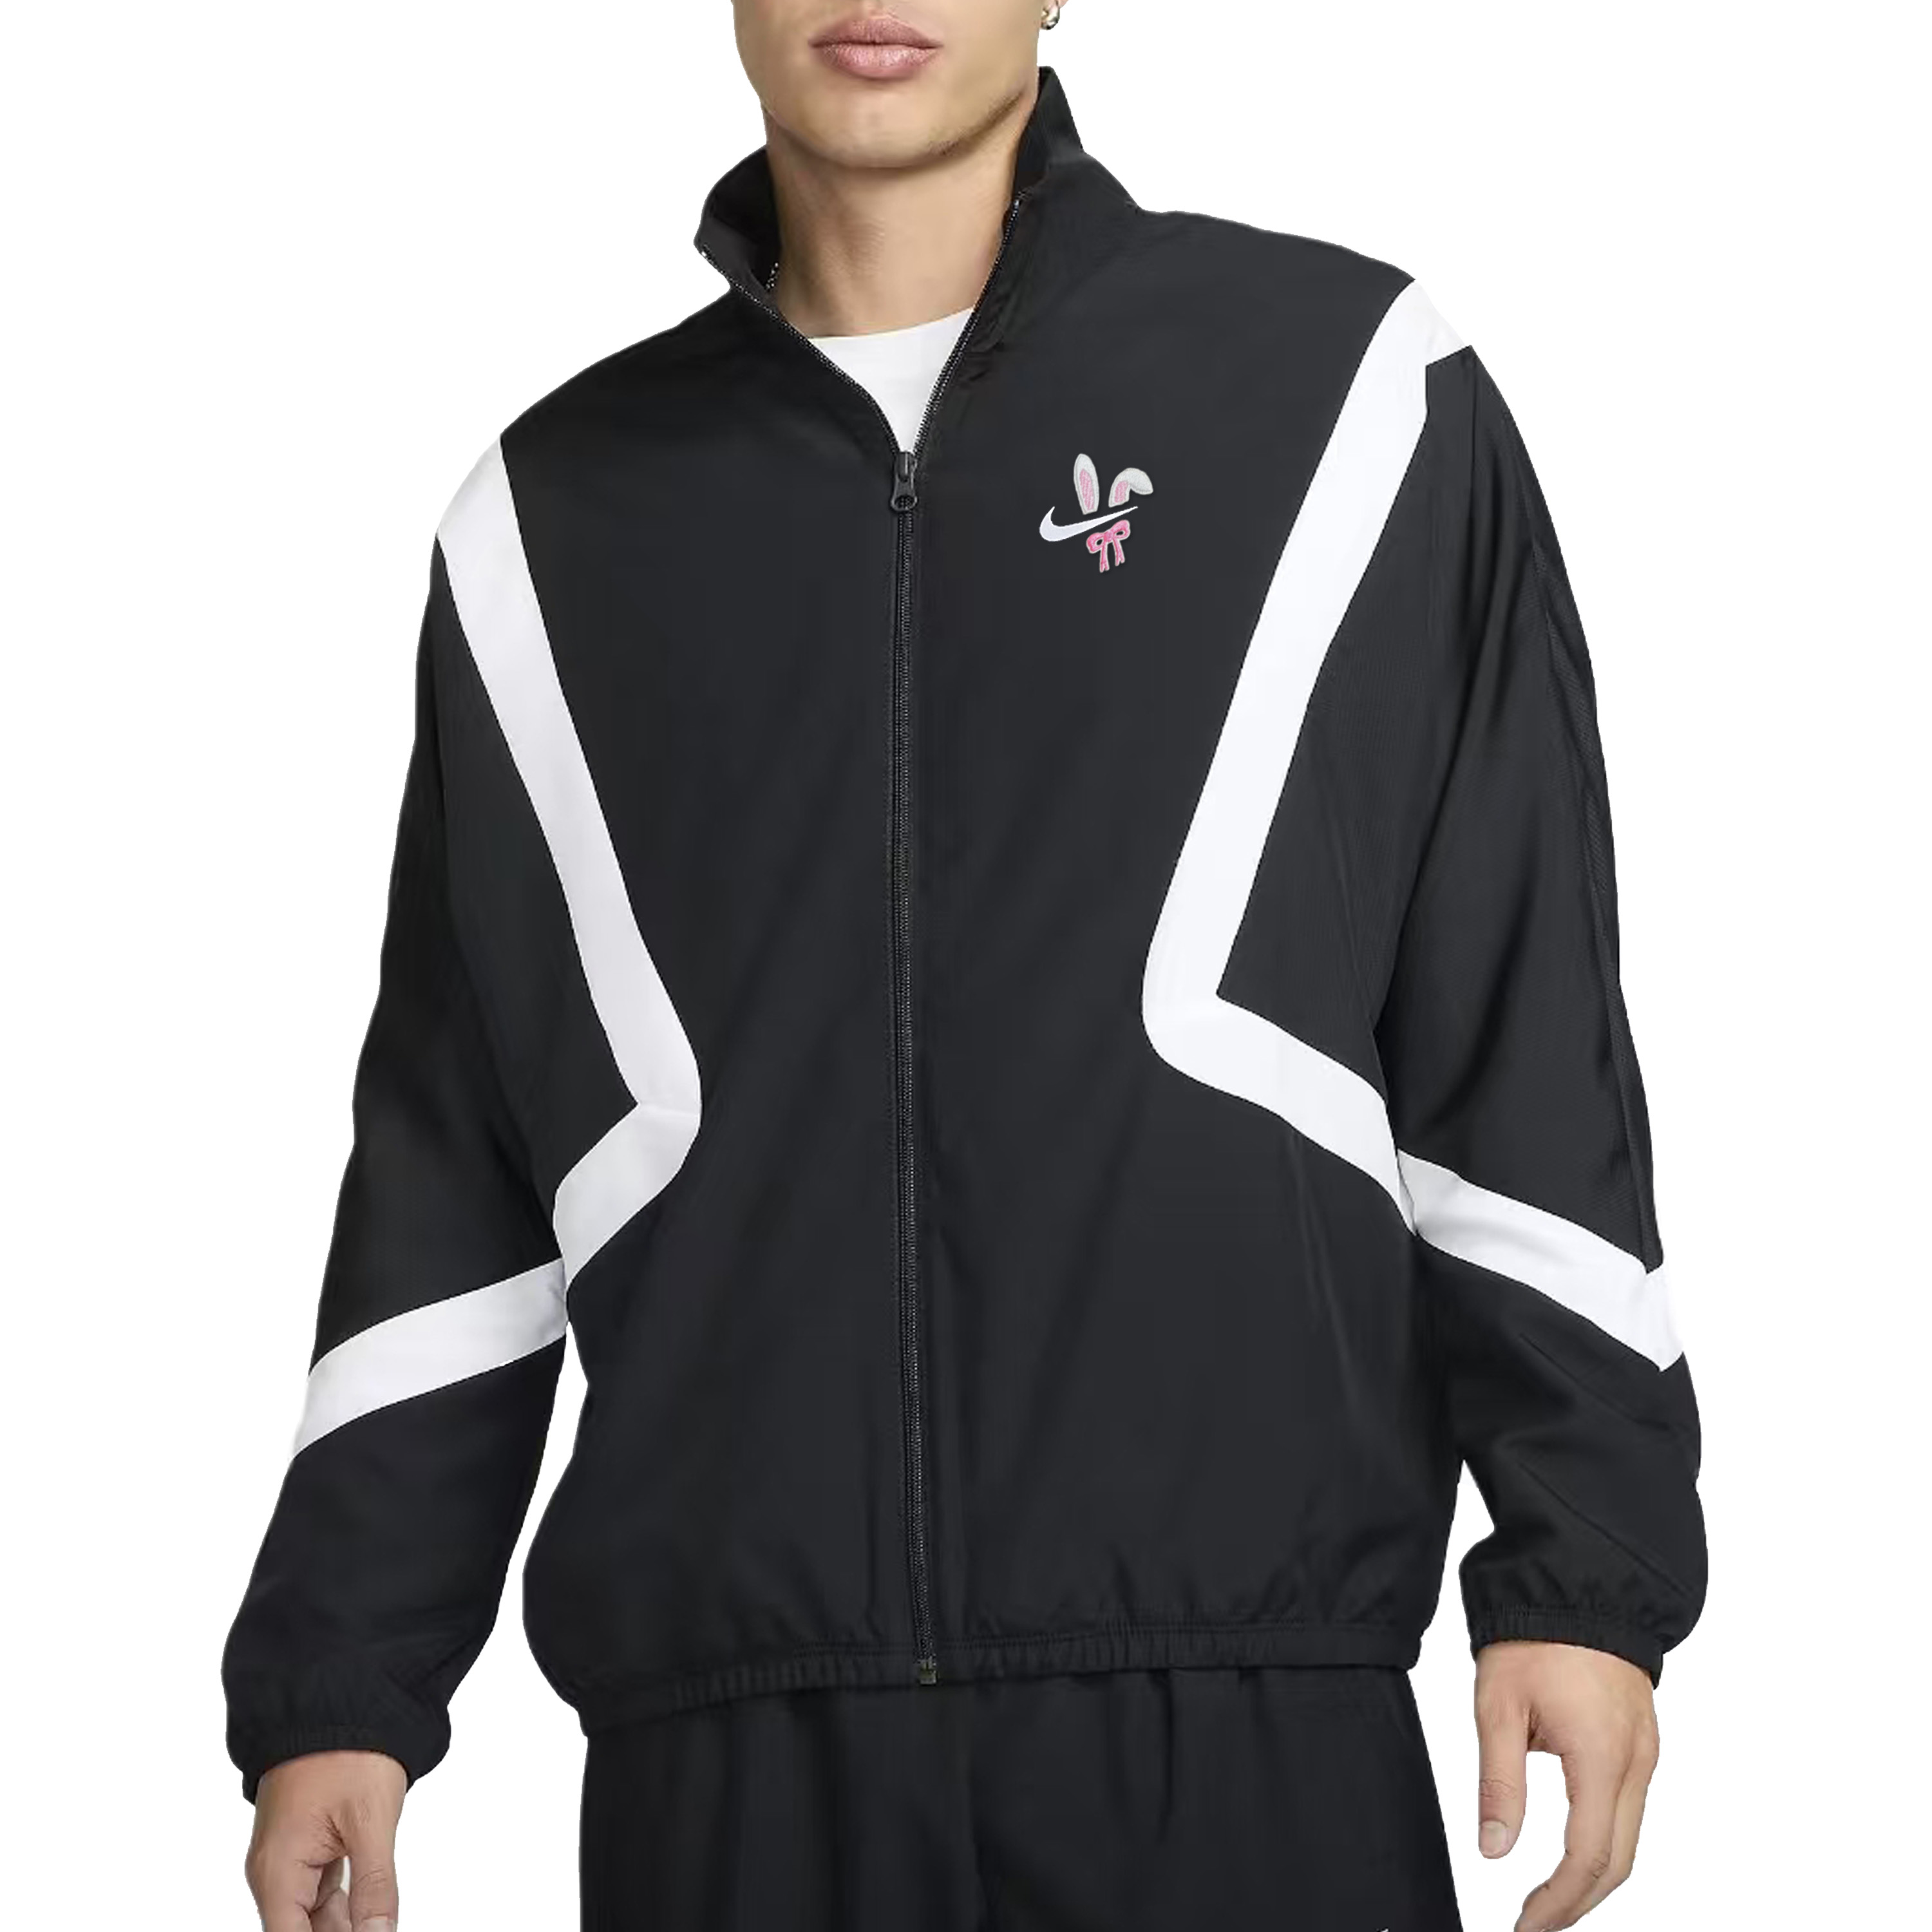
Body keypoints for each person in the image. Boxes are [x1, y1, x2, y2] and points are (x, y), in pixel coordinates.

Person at [225, 6, 1707, 1929]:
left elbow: (1519, 1015)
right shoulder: (551, 519)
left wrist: (1585, 1565)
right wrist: (343, 1673)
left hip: (1242, 1717)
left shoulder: (1347, 396)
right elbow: (456, 1147)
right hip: (732, 1760)